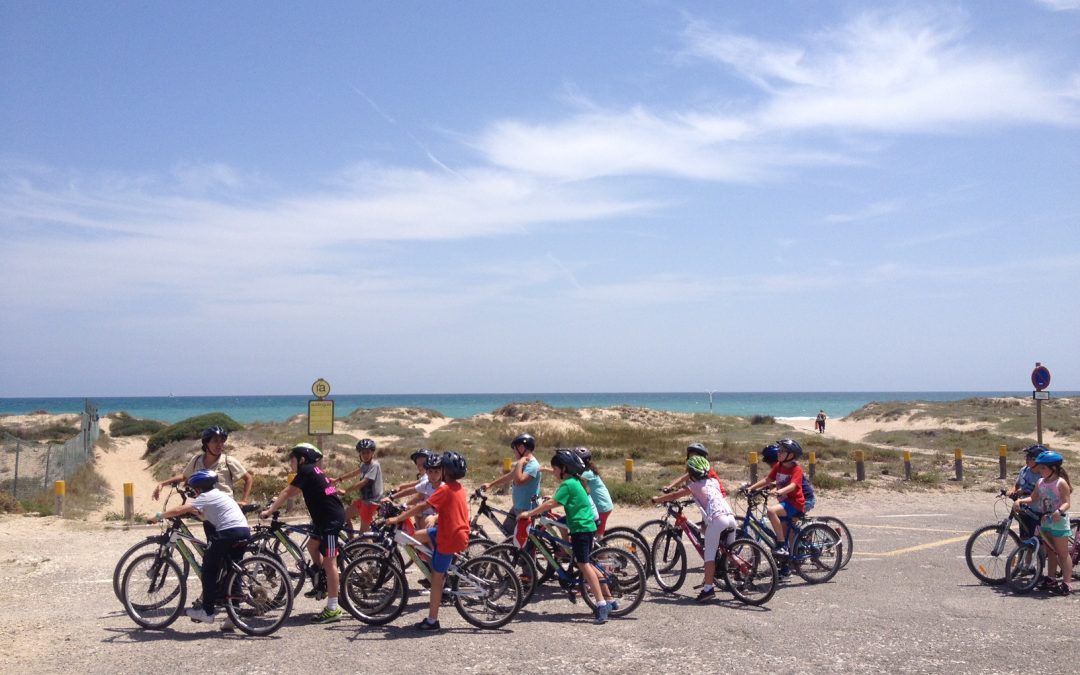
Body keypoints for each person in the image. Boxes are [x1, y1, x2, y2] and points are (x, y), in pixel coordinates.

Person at [518, 449, 615, 624]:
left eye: (555, 469)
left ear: (564, 468)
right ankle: (610, 600)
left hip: (580, 528)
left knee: (584, 565)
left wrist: (529, 513)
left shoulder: (568, 484)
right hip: (585, 526)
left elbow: (552, 503)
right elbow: (556, 500)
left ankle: (601, 605)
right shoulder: (575, 481)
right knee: (588, 564)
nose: (554, 472)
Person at [149, 470, 250, 627]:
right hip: (243, 530)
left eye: (194, 490)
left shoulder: (205, 496)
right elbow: (205, 514)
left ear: (198, 488)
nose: (194, 493)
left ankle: (207, 612)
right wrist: (193, 512)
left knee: (208, 569)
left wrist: (158, 516)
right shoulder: (220, 494)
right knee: (232, 570)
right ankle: (234, 615)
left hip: (227, 532)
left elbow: (179, 510)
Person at [261, 443, 347, 623]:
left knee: (330, 562)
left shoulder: (307, 470)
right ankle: (322, 580)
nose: (290, 463)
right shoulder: (314, 470)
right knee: (312, 545)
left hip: (330, 520)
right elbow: (296, 491)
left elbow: (288, 491)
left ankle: (333, 608)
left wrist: (270, 511)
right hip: (323, 518)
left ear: (302, 459)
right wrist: (277, 501)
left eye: (292, 459)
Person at [386, 451, 471, 631]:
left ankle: (432, 621)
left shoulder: (445, 489)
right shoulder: (458, 487)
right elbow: (418, 497)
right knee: (414, 537)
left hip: (449, 538)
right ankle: (430, 561)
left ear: (445, 471)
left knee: (436, 580)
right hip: (447, 531)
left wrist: (397, 519)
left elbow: (422, 506)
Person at [651, 455, 737, 601]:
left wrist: (657, 499)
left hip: (718, 520)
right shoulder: (714, 481)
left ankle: (708, 590)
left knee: (709, 556)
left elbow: (675, 495)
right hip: (731, 518)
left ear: (691, 473)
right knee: (730, 552)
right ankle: (740, 577)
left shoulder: (694, 486)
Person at [152, 426, 252, 540]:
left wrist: (244, 500)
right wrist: (163, 484)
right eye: (215, 441)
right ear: (206, 443)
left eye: (222, 441)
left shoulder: (228, 461)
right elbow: (184, 476)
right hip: (207, 514)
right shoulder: (197, 460)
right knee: (212, 546)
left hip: (223, 512)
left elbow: (248, 478)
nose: (219, 444)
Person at [1014, 450, 1073, 595]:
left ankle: (1067, 583)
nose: (1040, 470)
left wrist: (1059, 511)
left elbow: (1067, 502)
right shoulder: (1041, 482)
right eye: (1040, 467)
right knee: (1051, 552)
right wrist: (1021, 501)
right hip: (1045, 521)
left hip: (1058, 522)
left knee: (1062, 554)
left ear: (1053, 468)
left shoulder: (1061, 483)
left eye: (1043, 468)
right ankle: (1051, 579)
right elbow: (1033, 498)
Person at [746, 438, 806, 564]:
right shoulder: (779, 466)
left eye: (782, 451)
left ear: (791, 455)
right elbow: (767, 479)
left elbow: (793, 486)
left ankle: (782, 545)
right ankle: (785, 566)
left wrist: (780, 491)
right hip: (785, 503)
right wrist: (752, 488)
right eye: (779, 450)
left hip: (795, 503)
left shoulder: (796, 469)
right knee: (783, 532)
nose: (778, 453)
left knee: (771, 511)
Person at [481, 433, 542, 546]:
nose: (514, 453)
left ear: (522, 448)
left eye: (515, 449)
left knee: (523, 543)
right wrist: (491, 484)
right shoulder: (525, 464)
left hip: (526, 509)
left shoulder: (533, 465)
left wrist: (519, 463)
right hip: (518, 507)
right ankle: (509, 553)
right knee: (507, 533)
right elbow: (510, 476)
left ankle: (525, 556)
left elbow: (519, 481)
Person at [389, 450, 443, 531]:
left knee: (418, 528)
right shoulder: (427, 482)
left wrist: (404, 505)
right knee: (415, 513)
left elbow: (418, 497)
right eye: (418, 464)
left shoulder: (441, 487)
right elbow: (413, 487)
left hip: (432, 515)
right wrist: (398, 489)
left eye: (422, 464)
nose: (420, 467)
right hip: (424, 511)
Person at [338, 438, 383, 532]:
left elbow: (364, 482)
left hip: (371, 503)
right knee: (343, 517)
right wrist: (338, 479)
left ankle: (366, 541)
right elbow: (354, 473)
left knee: (363, 535)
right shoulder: (364, 464)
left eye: (368, 452)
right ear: (360, 454)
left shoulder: (374, 465)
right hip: (363, 500)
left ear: (372, 452)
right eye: (363, 453)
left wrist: (346, 491)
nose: (365, 455)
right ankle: (351, 541)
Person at [761, 444, 815, 513]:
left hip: (804, 499)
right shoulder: (780, 467)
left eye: (770, 462)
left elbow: (789, 486)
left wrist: (775, 490)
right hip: (789, 499)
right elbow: (769, 480)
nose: (770, 466)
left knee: (776, 513)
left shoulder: (792, 469)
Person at [662, 443, 728, 497]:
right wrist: (669, 487)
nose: (693, 459)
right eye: (691, 457)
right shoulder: (695, 469)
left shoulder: (704, 471)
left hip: (717, 494)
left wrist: (681, 490)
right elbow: (683, 478)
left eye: (696, 457)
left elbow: (687, 483)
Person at [574, 447, 613, 536]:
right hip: (604, 505)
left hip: (601, 507)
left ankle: (600, 544)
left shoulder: (586, 474)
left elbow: (572, 483)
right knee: (596, 533)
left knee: (596, 535)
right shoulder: (588, 470)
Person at [1008, 444, 1045, 538]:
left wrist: (1024, 492)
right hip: (1024, 509)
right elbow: (1017, 484)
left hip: (1038, 511)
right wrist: (1012, 490)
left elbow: (1043, 493)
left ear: (1038, 460)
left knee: (1038, 539)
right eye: (1026, 457)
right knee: (1024, 537)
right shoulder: (1024, 470)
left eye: (1030, 458)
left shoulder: (1043, 475)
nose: (1026, 459)